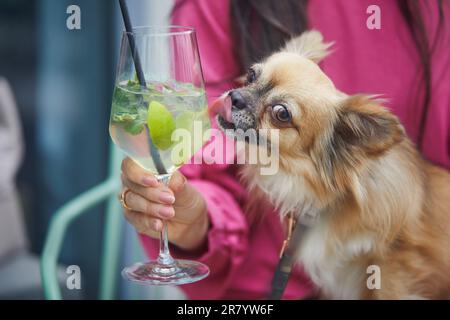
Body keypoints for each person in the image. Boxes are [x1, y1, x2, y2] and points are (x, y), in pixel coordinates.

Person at [119, 0, 449, 299]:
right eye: (252, 78)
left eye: (280, 114)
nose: (240, 96)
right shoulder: (215, 7)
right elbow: (200, 162)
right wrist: (193, 218)